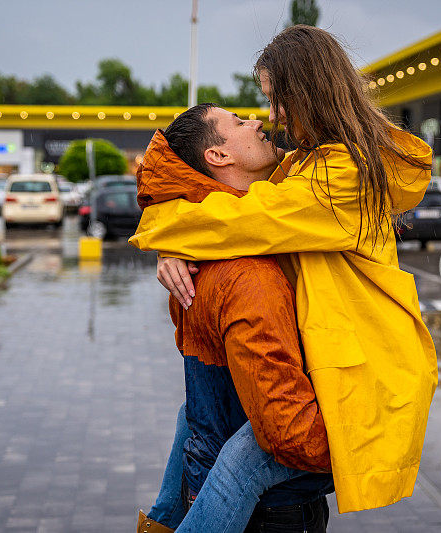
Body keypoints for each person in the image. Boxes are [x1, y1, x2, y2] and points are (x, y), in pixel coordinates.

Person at [132, 23, 437, 523]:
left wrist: (165, 238)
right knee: (195, 426)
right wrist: (168, 246)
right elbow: (201, 191)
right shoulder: (305, 166)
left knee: (236, 465)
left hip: (362, 373)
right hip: (334, 363)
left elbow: (242, 218)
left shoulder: (343, 178)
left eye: (275, 100)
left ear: (306, 94)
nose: (269, 117)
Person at [136, 104, 333, 533]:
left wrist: (171, 243)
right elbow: (286, 431)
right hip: (270, 513)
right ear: (218, 156)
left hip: (204, 485)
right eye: (240, 123)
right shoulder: (249, 276)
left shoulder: (196, 256)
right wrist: (360, 440)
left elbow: (204, 401)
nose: (258, 121)